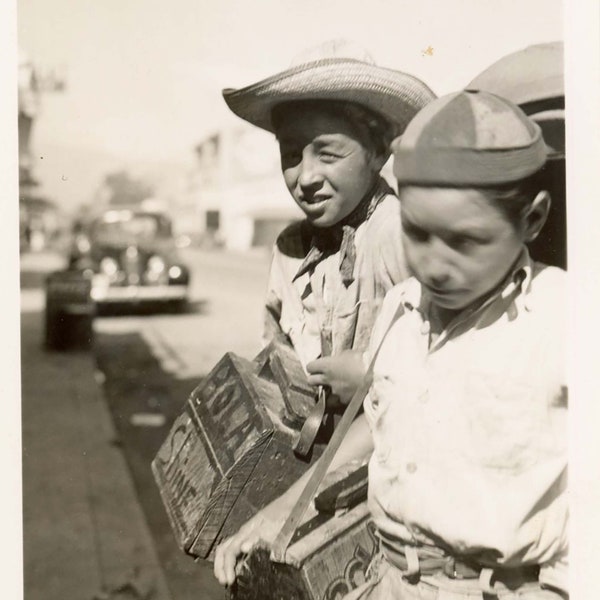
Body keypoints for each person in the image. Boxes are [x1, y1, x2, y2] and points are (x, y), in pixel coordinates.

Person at [214, 90, 567, 600]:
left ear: (532, 220)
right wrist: (281, 512)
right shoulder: (404, 306)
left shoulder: (564, 319)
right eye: (416, 235)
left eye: (465, 241)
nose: (434, 265)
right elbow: (376, 422)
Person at [222, 40, 436, 405]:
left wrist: (375, 378)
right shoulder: (290, 248)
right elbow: (275, 358)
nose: (306, 177)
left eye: (328, 154)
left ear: (378, 150)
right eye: (291, 154)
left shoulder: (400, 235)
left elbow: (451, 362)